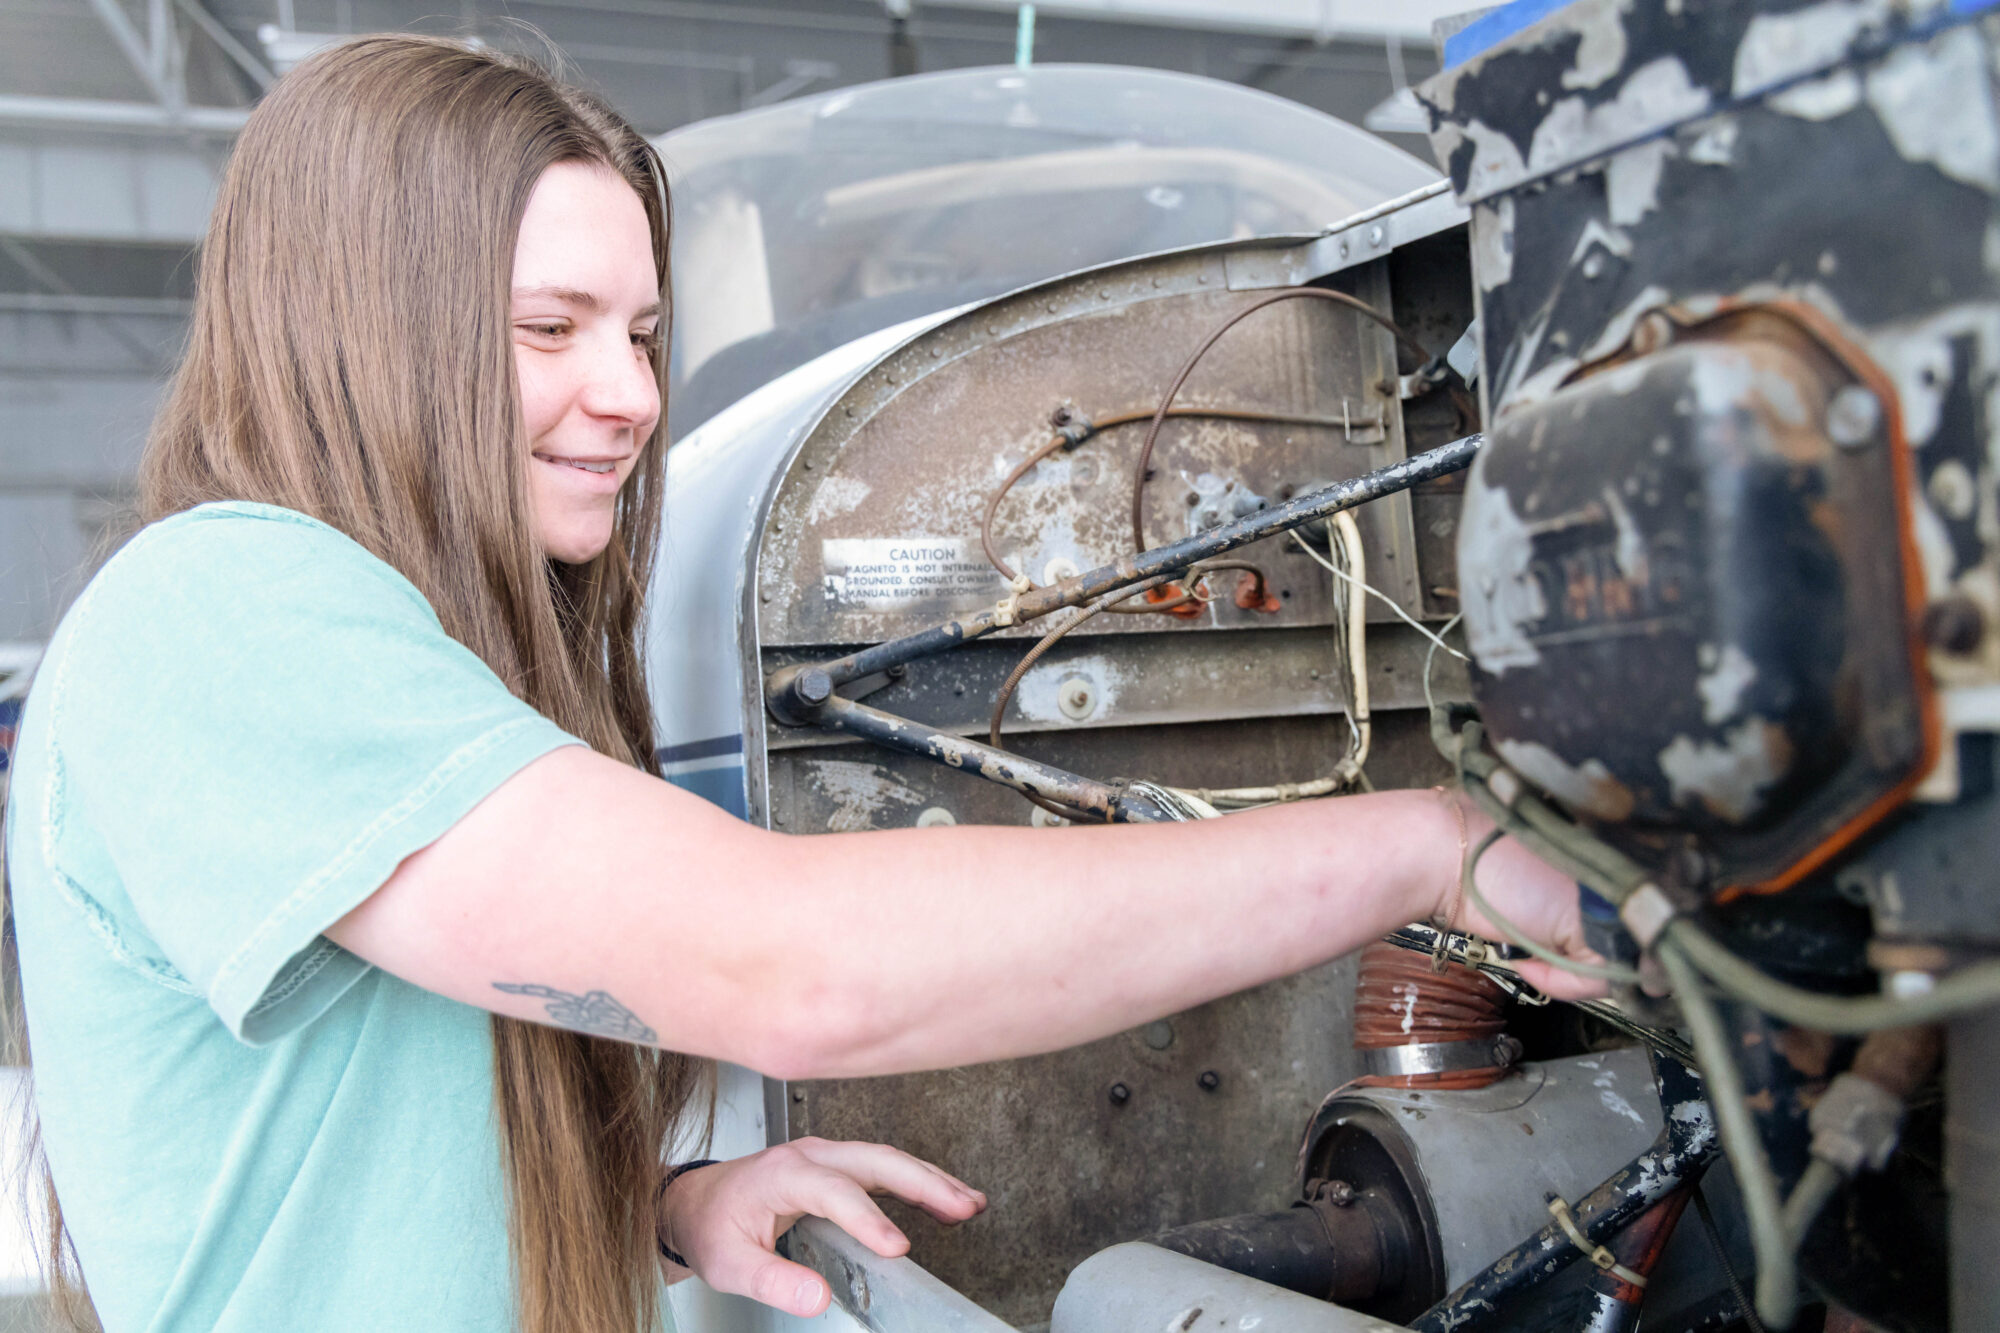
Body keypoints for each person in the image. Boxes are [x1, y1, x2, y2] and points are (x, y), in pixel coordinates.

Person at [0, 34, 1603, 1333]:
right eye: (550, 328)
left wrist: (669, 1209)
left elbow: (347, 1142)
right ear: (366, 336)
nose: (629, 396)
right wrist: (1427, 845)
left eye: (642, 332)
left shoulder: (384, 645)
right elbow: (785, 966)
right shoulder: (224, 613)